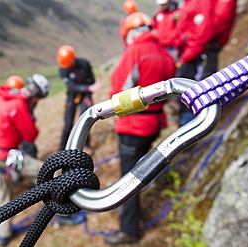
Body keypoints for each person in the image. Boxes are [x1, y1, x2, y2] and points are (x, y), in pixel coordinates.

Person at [104, 12, 176, 245]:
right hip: (154, 123)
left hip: (134, 125)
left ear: (132, 32)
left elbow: (117, 93)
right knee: (141, 169)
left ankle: (129, 229)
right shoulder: (165, 54)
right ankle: (131, 211)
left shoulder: (135, 51)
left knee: (129, 179)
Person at [0, 74, 50, 246]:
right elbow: (31, 135)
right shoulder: (19, 105)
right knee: (49, 172)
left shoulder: (0, 96)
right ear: (36, 97)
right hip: (6, 157)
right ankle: (64, 213)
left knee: (3, 194)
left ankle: (3, 234)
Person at [174, 0, 212, 126]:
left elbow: (200, 36)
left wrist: (185, 58)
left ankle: (190, 126)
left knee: (189, 94)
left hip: (191, 58)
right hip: (185, 54)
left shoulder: (200, 3)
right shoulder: (189, 3)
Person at [56, 45, 101, 154]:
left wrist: (88, 95)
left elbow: (91, 79)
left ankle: (86, 145)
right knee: (67, 124)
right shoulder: (63, 70)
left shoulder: (84, 64)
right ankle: (61, 148)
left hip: (85, 95)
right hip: (72, 95)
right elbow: (71, 86)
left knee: (85, 119)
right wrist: (88, 88)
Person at [202, 0, 238, 79]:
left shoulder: (224, 2)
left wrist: (206, 34)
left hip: (213, 39)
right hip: (209, 37)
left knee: (207, 74)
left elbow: (220, 18)